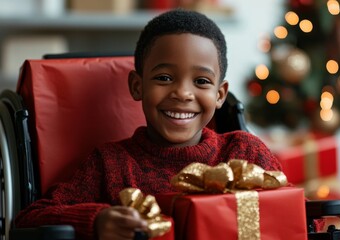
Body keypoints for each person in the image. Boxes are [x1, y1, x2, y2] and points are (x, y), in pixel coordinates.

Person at [14, 9, 283, 240]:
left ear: (220, 95)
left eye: (201, 81)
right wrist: (96, 222)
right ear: (137, 86)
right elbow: (31, 219)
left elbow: (303, 219)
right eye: (164, 78)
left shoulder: (244, 154)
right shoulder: (111, 164)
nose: (183, 93)